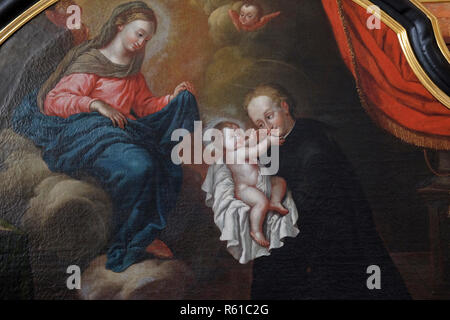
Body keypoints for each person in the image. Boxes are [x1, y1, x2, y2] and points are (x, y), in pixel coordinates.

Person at [12, 1, 200, 273]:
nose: (141, 42)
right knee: (140, 167)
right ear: (120, 25)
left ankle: (138, 238)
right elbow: (56, 100)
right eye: (138, 33)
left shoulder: (132, 74)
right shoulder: (91, 62)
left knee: (159, 167)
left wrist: (174, 97)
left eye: (146, 38)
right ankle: (124, 242)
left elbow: (145, 105)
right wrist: (96, 105)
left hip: (119, 135)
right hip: (88, 136)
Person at [244, 84, 411, 299]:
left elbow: (308, 205)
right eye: (260, 123)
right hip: (295, 226)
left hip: (329, 238)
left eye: (269, 117)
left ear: (285, 107)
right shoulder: (274, 143)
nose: (267, 127)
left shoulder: (315, 146)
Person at [212, 120, 288, 247]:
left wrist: (257, 136)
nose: (238, 137)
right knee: (261, 202)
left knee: (279, 181)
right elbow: (256, 151)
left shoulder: (238, 147)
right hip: (245, 189)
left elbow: (250, 143)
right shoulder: (235, 153)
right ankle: (256, 231)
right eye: (232, 137)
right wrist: (269, 140)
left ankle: (275, 201)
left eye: (238, 133)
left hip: (259, 183)